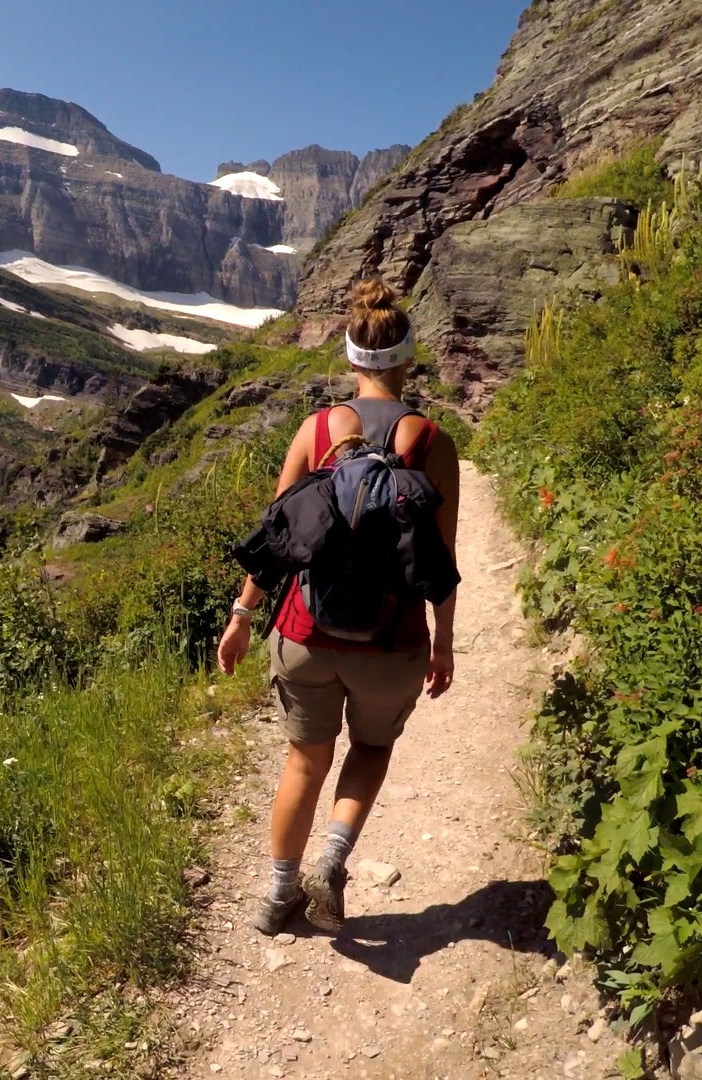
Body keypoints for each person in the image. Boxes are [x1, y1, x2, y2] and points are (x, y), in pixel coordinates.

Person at [216, 277, 460, 935]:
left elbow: (279, 536)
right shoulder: (432, 442)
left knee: (304, 760)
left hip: (305, 633)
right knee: (371, 747)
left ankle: (277, 896)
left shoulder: (317, 429)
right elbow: (441, 562)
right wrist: (442, 644)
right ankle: (331, 858)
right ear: (409, 356)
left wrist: (242, 616)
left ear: (350, 358)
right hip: (391, 642)